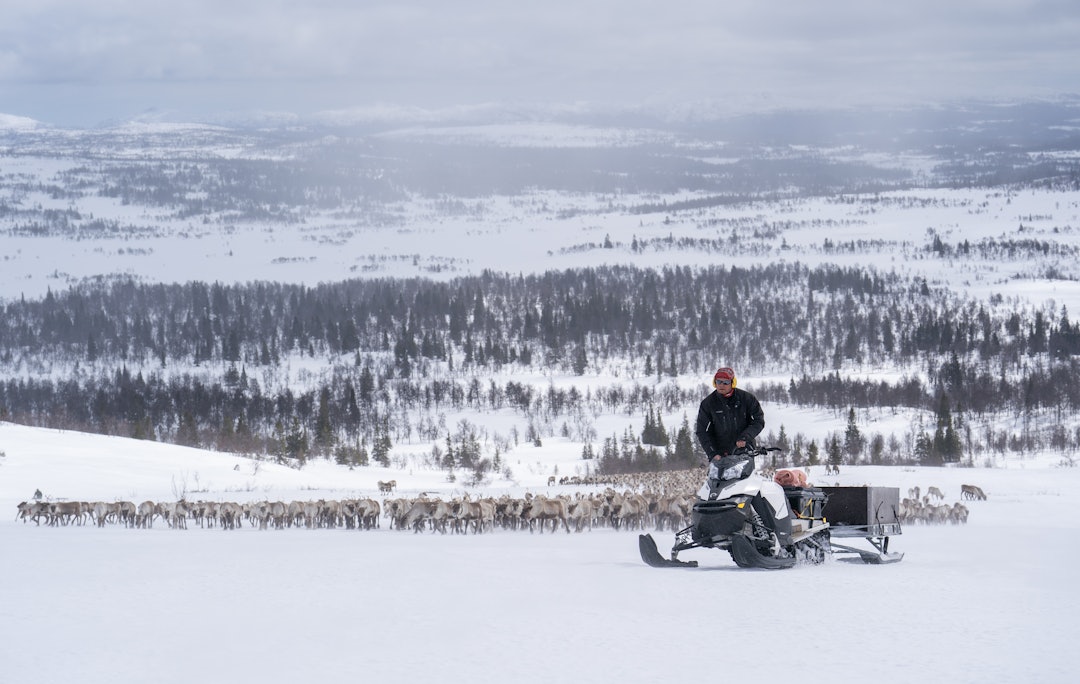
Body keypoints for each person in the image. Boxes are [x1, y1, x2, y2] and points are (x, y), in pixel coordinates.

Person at [695, 366, 765, 463]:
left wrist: (745, 437)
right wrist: (712, 453)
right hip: (720, 455)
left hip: (745, 451)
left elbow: (759, 421)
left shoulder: (747, 398)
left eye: (726, 382)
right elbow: (701, 430)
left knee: (745, 478)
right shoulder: (708, 403)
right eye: (718, 381)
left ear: (733, 383)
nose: (721, 385)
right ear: (714, 383)